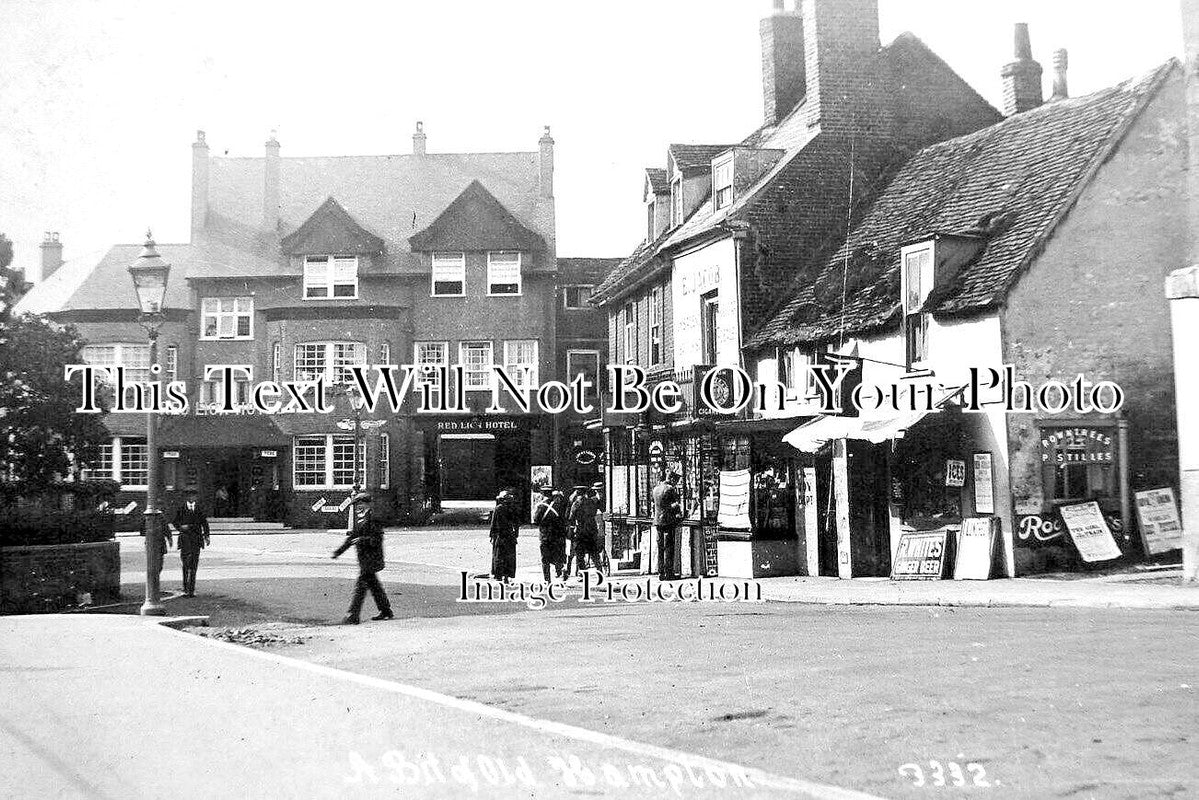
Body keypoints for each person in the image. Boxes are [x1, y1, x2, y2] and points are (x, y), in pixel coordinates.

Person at [331, 493, 393, 624]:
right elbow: (351, 539)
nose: (358, 507)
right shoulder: (360, 520)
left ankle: (353, 615)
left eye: (361, 504)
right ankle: (386, 611)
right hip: (365, 560)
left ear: (368, 504)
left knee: (360, 588)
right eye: (356, 505)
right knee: (374, 586)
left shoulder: (373, 519)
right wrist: (338, 552)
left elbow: (377, 539)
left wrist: (362, 540)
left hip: (371, 559)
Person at [172, 491, 209, 597]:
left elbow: (205, 523)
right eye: (190, 496)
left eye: (194, 496)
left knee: (194, 565)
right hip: (185, 540)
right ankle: (185, 588)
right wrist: (180, 527)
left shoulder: (199, 509)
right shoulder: (181, 508)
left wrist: (207, 536)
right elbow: (175, 521)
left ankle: (191, 589)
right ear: (187, 497)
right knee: (185, 564)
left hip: (196, 540)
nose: (192, 498)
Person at [532, 486, 567, 582]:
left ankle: (547, 580)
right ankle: (562, 569)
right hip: (557, 536)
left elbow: (536, 521)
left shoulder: (541, 506)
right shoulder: (559, 505)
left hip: (545, 536)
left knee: (545, 559)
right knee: (557, 555)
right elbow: (564, 520)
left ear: (543, 494)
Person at [652, 471, 682, 580]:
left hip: (658, 521)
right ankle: (669, 573)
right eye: (676, 481)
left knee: (660, 547)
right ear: (673, 480)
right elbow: (674, 505)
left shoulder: (656, 489)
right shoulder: (670, 489)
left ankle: (661, 572)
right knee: (669, 547)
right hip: (668, 521)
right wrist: (678, 509)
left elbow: (655, 504)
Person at [568, 485, 601, 576]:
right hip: (591, 530)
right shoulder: (591, 502)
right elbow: (594, 513)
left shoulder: (576, 503)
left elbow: (571, 517)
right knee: (594, 552)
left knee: (580, 554)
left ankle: (582, 574)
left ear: (577, 493)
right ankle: (599, 570)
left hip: (581, 531)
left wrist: (571, 529)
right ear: (585, 492)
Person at [489, 489, 520, 583]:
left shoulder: (498, 508)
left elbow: (493, 523)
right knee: (509, 556)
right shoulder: (513, 509)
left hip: (500, 535)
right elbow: (517, 523)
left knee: (499, 555)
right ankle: (507, 576)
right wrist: (516, 534)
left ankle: (498, 575)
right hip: (510, 535)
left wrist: (491, 535)